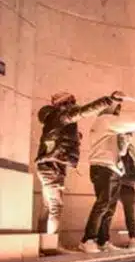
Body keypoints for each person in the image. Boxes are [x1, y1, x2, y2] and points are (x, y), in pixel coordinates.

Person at [35, 91, 117, 253]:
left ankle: (44, 244)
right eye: (71, 101)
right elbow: (85, 111)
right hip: (53, 167)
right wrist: (108, 100)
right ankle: (50, 246)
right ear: (63, 104)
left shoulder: (55, 120)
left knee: (47, 206)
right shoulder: (62, 116)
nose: (74, 103)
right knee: (55, 207)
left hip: (49, 166)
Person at [80, 101, 135, 253]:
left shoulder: (111, 128)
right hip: (102, 167)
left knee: (110, 207)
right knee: (103, 204)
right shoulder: (104, 121)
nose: (118, 113)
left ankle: (103, 240)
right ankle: (87, 239)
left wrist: (125, 143)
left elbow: (120, 153)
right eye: (117, 110)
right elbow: (133, 121)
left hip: (112, 169)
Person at [118, 137, 135, 248]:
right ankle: (133, 239)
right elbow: (133, 169)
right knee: (130, 213)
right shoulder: (126, 149)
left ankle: (102, 240)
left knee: (108, 212)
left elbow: (134, 169)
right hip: (125, 185)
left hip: (120, 183)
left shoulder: (124, 148)